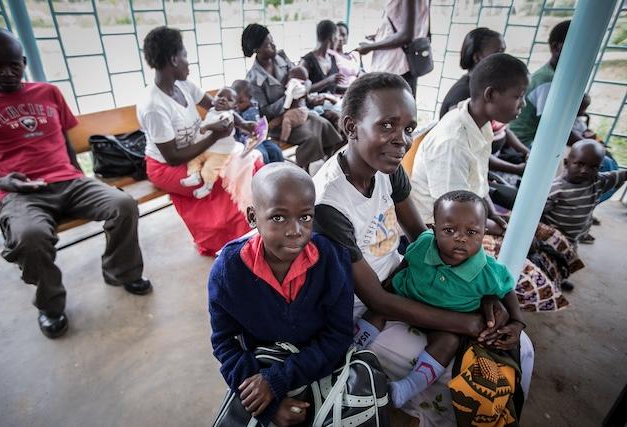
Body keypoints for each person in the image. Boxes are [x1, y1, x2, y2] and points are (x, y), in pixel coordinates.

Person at [312, 72, 535, 425]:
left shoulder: (385, 168)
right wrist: (468, 322)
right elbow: (377, 300)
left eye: (408, 128)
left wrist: (475, 289)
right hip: (360, 311)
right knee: (466, 368)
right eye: (387, 125)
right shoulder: (329, 205)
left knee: (519, 346)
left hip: (405, 281)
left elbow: (423, 238)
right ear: (351, 127)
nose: (401, 141)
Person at [0, 28, 152, 339]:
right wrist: (2, 181)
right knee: (29, 237)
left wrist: (80, 176)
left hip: (69, 181)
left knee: (123, 204)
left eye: (14, 64)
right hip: (20, 194)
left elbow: (63, 140)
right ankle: (51, 305)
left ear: (23, 62)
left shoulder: (48, 92)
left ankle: (122, 272)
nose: (7, 72)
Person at [412, 53, 582, 307]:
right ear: (491, 95)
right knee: (526, 278)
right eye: (518, 96)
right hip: (441, 229)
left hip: (470, 215)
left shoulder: (480, 124)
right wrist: (494, 226)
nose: (523, 104)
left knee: (552, 238)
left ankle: (550, 269)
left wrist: (494, 215)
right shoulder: (452, 143)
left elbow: (478, 184)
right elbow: (451, 215)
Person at [208, 163, 354, 426]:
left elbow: (339, 335)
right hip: (258, 371)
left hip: (319, 365)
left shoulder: (330, 259)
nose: (295, 230)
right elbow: (224, 344)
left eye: (305, 217)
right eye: (278, 217)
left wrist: (278, 380)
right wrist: (267, 406)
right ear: (253, 217)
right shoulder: (228, 271)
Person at [384, 191, 525, 408]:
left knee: (449, 342)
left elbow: (507, 290)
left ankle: (407, 387)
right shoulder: (424, 243)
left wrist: (517, 323)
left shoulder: (488, 270)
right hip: (406, 303)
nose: (460, 238)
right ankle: (354, 348)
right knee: (378, 305)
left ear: (483, 234)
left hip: (447, 321)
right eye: (449, 230)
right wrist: (394, 279)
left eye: (471, 232)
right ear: (434, 229)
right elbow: (408, 260)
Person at [137, 26, 259, 256]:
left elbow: (217, 106)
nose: (188, 62)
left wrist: (243, 124)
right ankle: (229, 242)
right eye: (184, 55)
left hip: (198, 152)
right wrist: (215, 135)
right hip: (166, 166)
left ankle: (249, 230)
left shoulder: (183, 85)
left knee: (249, 163)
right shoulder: (154, 105)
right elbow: (173, 157)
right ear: (173, 59)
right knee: (218, 179)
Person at [439, 27, 530, 205]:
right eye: (499, 51)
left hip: (484, 174)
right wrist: (516, 169)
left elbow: (501, 133)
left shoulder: (486, 113)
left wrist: (525, 152)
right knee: (525, 202)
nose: (503, 57)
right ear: (478, 57)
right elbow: (455, 198)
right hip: (463, 191)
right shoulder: (465, 101)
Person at [241, 24, 343, 169]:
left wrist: (303, 88)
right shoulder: (253, 79)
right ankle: (302, 171)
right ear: (256, 50)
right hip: (280, 123)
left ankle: (328, 165)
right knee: (311, 138)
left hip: (299, 111)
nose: (273, 45)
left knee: (325, 125)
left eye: (272, 41)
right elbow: (265, 112)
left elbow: (302, 78)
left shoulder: (281, 57)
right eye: (267, 45)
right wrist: (287, 98)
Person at [543, 140, 626, 251]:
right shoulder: (555, 189)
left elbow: (622, 175)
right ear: (566, 163)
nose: (585, 171)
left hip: (574, 239)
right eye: (580, 164)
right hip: (553, 239)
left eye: (593, 167)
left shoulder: (597, 181)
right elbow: (539, 216)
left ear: (599, 168)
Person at [509, 21, 582, 147]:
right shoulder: (548, 80)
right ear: (556, 47)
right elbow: (555, 128)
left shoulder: (554, 75)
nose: (582, 52)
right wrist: (588, 143)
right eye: (578, 46)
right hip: (525, 142)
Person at [180, 86, 257, 199]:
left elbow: (223, 125)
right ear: (213, 100)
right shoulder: (212, 111)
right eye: (220, 96)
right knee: (193, 159)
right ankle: (195, 175)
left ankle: (207, 187)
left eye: (229, 99)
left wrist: (206, 127)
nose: (223, 99)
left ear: (234, 107)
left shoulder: (226, 114)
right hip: (207, 147)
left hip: (220, 151)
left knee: (209, 168)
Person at [355, 0, 431, 96]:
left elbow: (406, 36)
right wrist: (381, 36)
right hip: (402, 65)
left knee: (389, 107)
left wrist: (370, 47)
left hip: (396, 67)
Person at [232, 79, 284, 164]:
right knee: (262, 155)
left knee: (276, 151)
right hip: (246, 143)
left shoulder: (255, 106)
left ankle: (279, 172)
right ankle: (263, 175)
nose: (237, 105)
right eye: (235, 101)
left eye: (241, 102)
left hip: (260, 140)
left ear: (250, 98)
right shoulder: (235, 112)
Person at [300, 20, 344, 94]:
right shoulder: (307, 62)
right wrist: (328, 81)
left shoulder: (332, 59)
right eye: (337, 36)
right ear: (332, 37)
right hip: (313, 104)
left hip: (332, 103)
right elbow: (300, 90)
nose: (339, 40)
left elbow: (333, 87)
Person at [279, 66, 310, 146]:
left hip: (297, 111)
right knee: (286, 118)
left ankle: (283, 140)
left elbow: (289, 96)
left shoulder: (293, 82)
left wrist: (285, 107)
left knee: (287, 120)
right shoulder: (302, 84)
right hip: (304, 111)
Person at [331, 21, 361, 91]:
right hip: (342, 93)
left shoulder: (353, 56)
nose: (340, 38)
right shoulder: (331, 55)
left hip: (356, 91)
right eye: (338, 35)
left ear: (347, 38)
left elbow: (360, 73)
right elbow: (331, 83)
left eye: (343, 35)